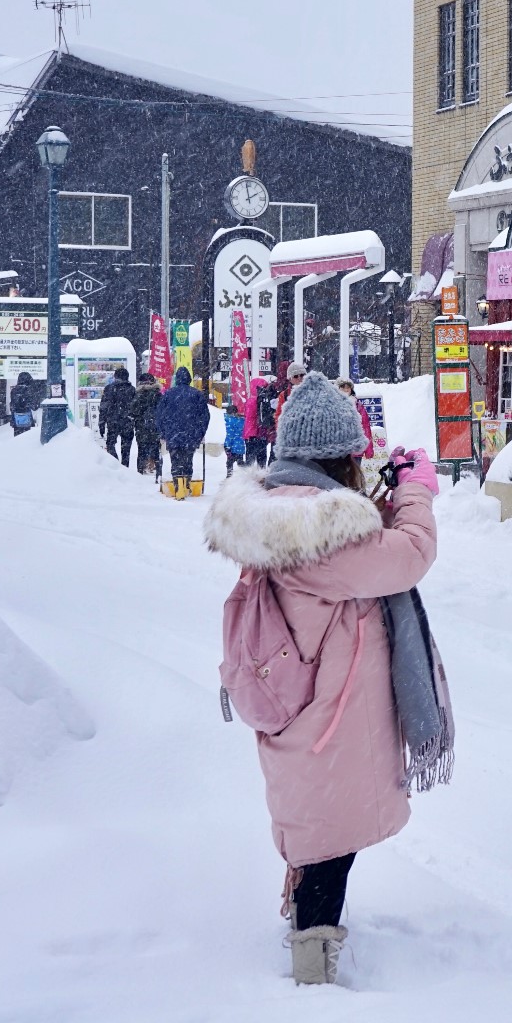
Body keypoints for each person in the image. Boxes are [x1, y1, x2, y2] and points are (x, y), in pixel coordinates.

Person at [202, 373, 450, 986]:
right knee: (331, 846)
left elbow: (365, 552)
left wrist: (384, 508)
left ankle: (307, 930)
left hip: (300, 709)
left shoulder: (280, 515)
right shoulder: (322, 535)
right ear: (339, 458)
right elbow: (408, 554)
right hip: (328, 722)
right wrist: (414, 493)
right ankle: (312, 979)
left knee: (319, 834)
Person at [156, 367, 208, 498]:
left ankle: (178, 487)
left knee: (175, 460)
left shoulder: (168, 394)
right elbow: (205, 416)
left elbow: (160, 415)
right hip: (192, 434)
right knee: (188, 459)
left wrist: (163, 432)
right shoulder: (196, 394)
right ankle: (187, 484)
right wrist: (200, 432)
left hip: (173, 434)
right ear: (189, 379)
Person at [98, 367, 137, 466]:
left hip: (112, 422)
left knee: (110, 445)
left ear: (115, 377)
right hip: (127, 422)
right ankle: (124, 467)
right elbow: (136, 408)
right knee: (126, 449)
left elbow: (103, 407)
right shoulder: (132, 390)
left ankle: (115, 464)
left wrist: (102, 423)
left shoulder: (109, 389)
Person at [335, 378, 381, 457]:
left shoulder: (357, 405)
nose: (346, 390)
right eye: (343, 387)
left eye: (348, 387)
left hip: (356, 450)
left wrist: (368, 448)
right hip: (339, 451)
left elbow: (365, 426)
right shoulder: (332, 405)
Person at [243, 371, 276, 468]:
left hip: (250, 434)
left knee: (250, 458)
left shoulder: (251, 401)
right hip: (262, 432)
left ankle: (249, 477)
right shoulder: (264, 401)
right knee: (262, 457)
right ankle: (261, 473)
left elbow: (248, 416)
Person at [132, 371, 162, 476]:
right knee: (155, 448)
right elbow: (162, 411)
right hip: (155, 426)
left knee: (141, 448)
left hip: (141, 427)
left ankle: (140, 470)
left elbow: (133, 411)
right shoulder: (158, 394)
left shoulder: (138, 395)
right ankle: (157, 470)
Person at [9, 371, 42, 436]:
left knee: (17, 437)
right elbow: (34, 406)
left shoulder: (14, 390)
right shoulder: (29, 390)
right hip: (26, 418)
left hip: (16, 418)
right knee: (26, 437)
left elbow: (12, 405)